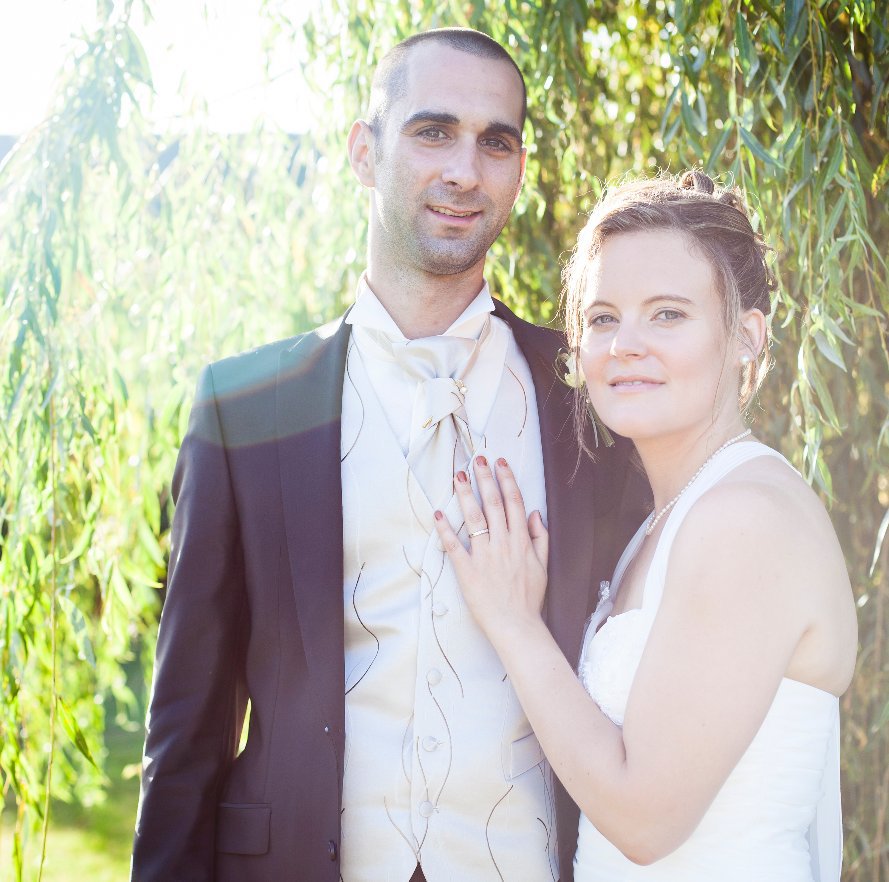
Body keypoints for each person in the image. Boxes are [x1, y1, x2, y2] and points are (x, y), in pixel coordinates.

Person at [131, 27, 645, 882]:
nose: (464, 170)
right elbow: (188, 720)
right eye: (432, 131)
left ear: (519, 171)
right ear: (363, 153)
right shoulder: (244, 406)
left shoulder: (586, 401)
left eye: (496, 142)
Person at [434, 171, 858, 881]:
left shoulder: (744, 518)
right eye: (602, 318)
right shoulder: (661, 521)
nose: (625, 343)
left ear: (746, 337)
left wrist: (512, 623)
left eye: (667, 314)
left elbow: (643, 819)